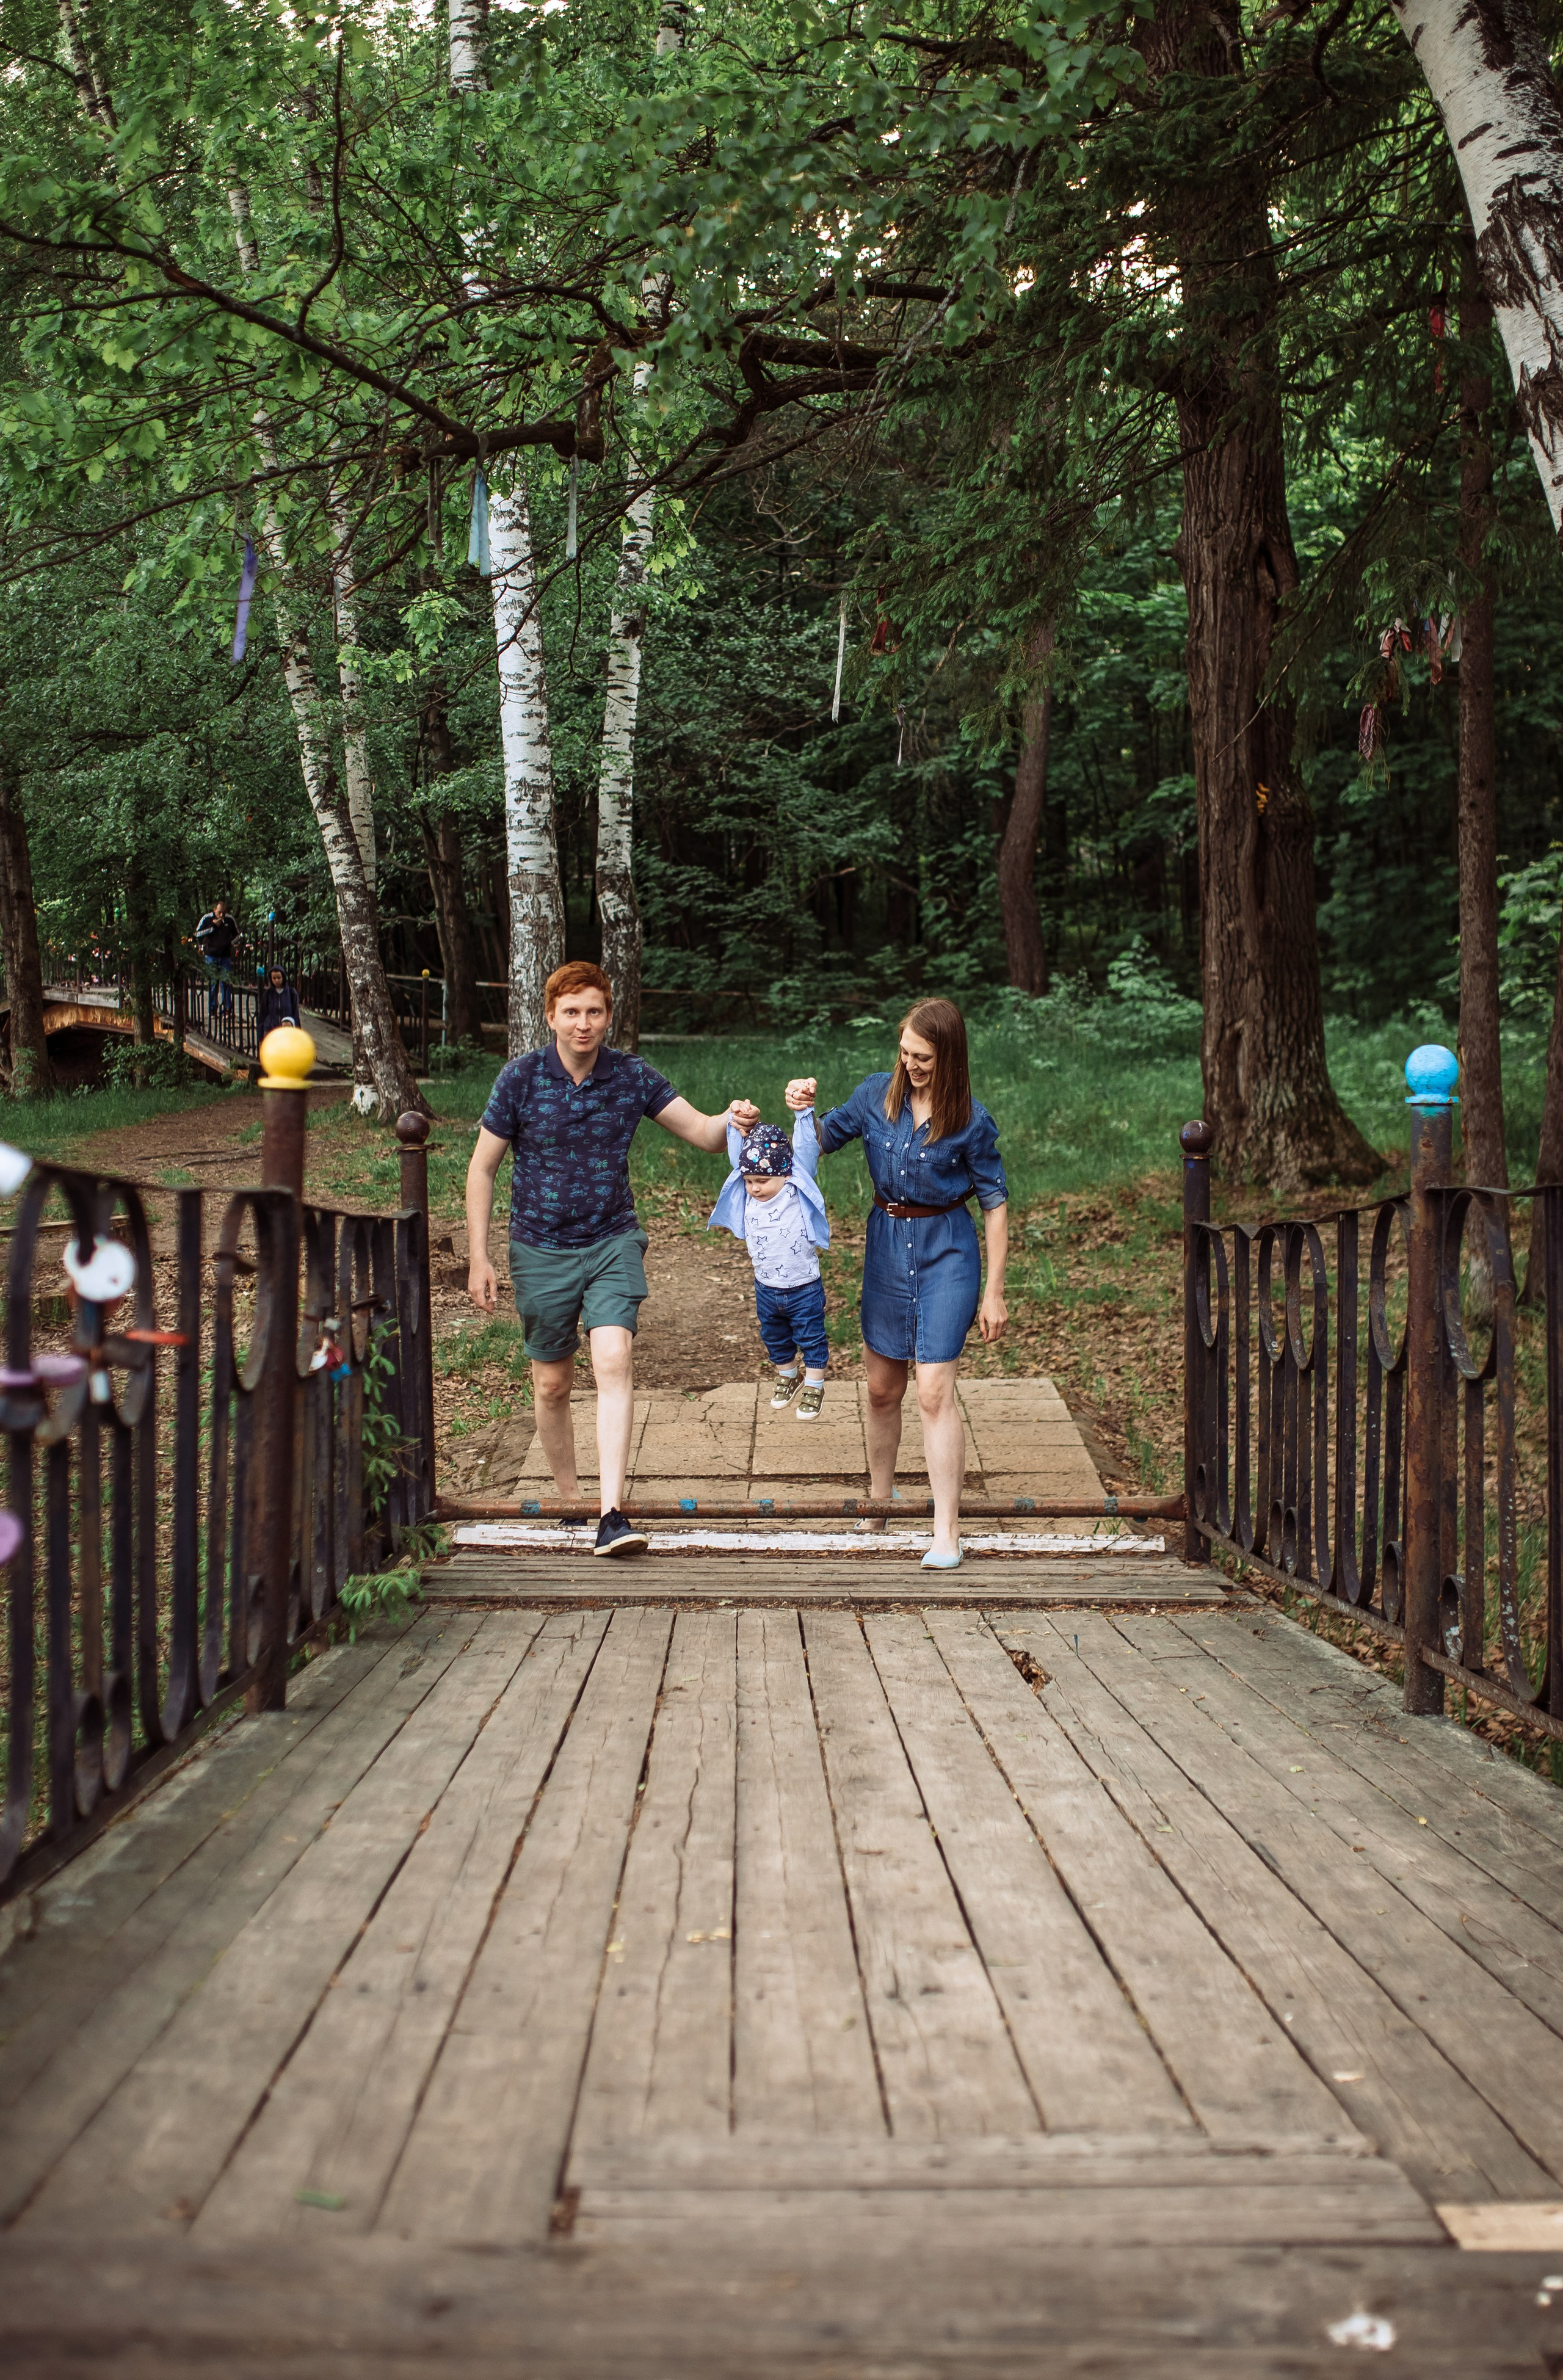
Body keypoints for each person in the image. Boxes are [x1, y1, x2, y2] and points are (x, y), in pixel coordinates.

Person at [466, 960, 760, 1557]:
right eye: (571, 1012)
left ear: (608, 1015)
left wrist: (734, 1119)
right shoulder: (519, 1079)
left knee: (614, 1353)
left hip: (611, 1242)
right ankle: (573, 1500)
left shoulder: (630, 1076)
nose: (583, 1023)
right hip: (539, 1248)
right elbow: (482, 1167)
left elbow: (703, 1132)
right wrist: (479, 1255)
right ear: (550, 1016)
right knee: (551, 1385)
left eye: (594, 1011)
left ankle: (611, 1512)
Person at [786, 997, 1008, 1570]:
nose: (911, 1065)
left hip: (947, 1253)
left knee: (934, 1390)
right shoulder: (872, 1097)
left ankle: (945, 1532)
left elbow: (995, 1204)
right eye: (906, 1053)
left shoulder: (971, 1120)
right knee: (883, 1390)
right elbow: (815, 1145)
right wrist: (800, 1108)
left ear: (950, 1058)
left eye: (924, 1057)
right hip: (887, 1249)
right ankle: (878, 1503)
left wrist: (995, 1292)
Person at [707, 1108, 830, 1418]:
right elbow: (738, 1156)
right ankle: (789, 1375)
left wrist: (804, 1114)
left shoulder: (794, 1188)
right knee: (773, 1336)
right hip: (766, 1287)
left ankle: (815, 1385)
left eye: (762, 1181)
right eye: (749, 1181)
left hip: (803, 1285)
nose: (754, 1188)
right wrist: (736, 1121)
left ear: (785, 1174)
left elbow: (804, 1149)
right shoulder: (749, 1193)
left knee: (810, 1336)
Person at [195, 898, 239, 1020]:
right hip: (211, 955)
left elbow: (237, 936)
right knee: (214, 983)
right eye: (219, 912)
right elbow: (198, 934)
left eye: (224, 912)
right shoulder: (207, 919)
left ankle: (227, 1010)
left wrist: (235, 944)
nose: (222, 915)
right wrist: (213, 926)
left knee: (226, 982)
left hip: (225, 956)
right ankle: (213, 1009)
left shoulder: (230, 920)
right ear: (215, 910)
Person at [257, 964, 303, 1041]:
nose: (276, 981)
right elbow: (263, 1015)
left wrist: (298, 1034)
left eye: (279, 978)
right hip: (270, 1030)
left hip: (286, 1032)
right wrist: (260, 1036)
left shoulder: (292, 993)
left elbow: (295, 1015)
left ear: (283, 978)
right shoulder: (268, 994)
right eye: (274, 978)